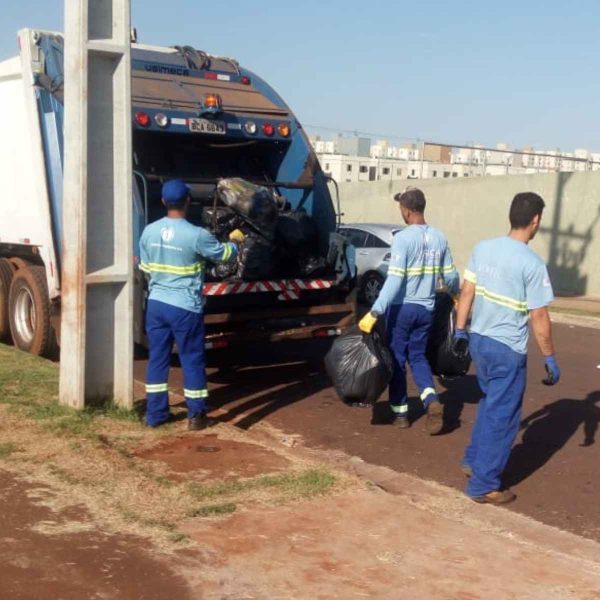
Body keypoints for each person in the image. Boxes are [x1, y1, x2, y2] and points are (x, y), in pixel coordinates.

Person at [453, 191, 560, 505]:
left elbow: (467, 290)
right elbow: (539, 316)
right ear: (536, 220)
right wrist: (550, 358)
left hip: (479, 341)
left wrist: (460, 329)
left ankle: (473, 461)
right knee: (504, 415)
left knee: (489, 402)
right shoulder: (532, 263)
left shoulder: (483, 248)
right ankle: (483, 485)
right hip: (506, 350)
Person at [139, 179, 245, 430]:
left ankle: (155, 415)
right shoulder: (196, 235)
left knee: (157, 360)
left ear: (163, 202)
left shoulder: (149, 232)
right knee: (192, 360)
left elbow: (144, 269)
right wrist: (236, 241)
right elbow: (223, 255)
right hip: (185, 307)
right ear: (188, 201)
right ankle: (196, 416)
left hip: (156, 305)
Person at [358, 187, 460, 433]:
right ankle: (431, 400)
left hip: (402, 309)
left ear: (406, 211)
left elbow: (394, 280)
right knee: (418, 356)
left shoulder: (403, 239)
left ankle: (400, 413)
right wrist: (455, 296)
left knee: (397, 358)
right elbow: (452, 275)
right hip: (426, 309)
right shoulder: (439, 237)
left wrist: (375, 311)